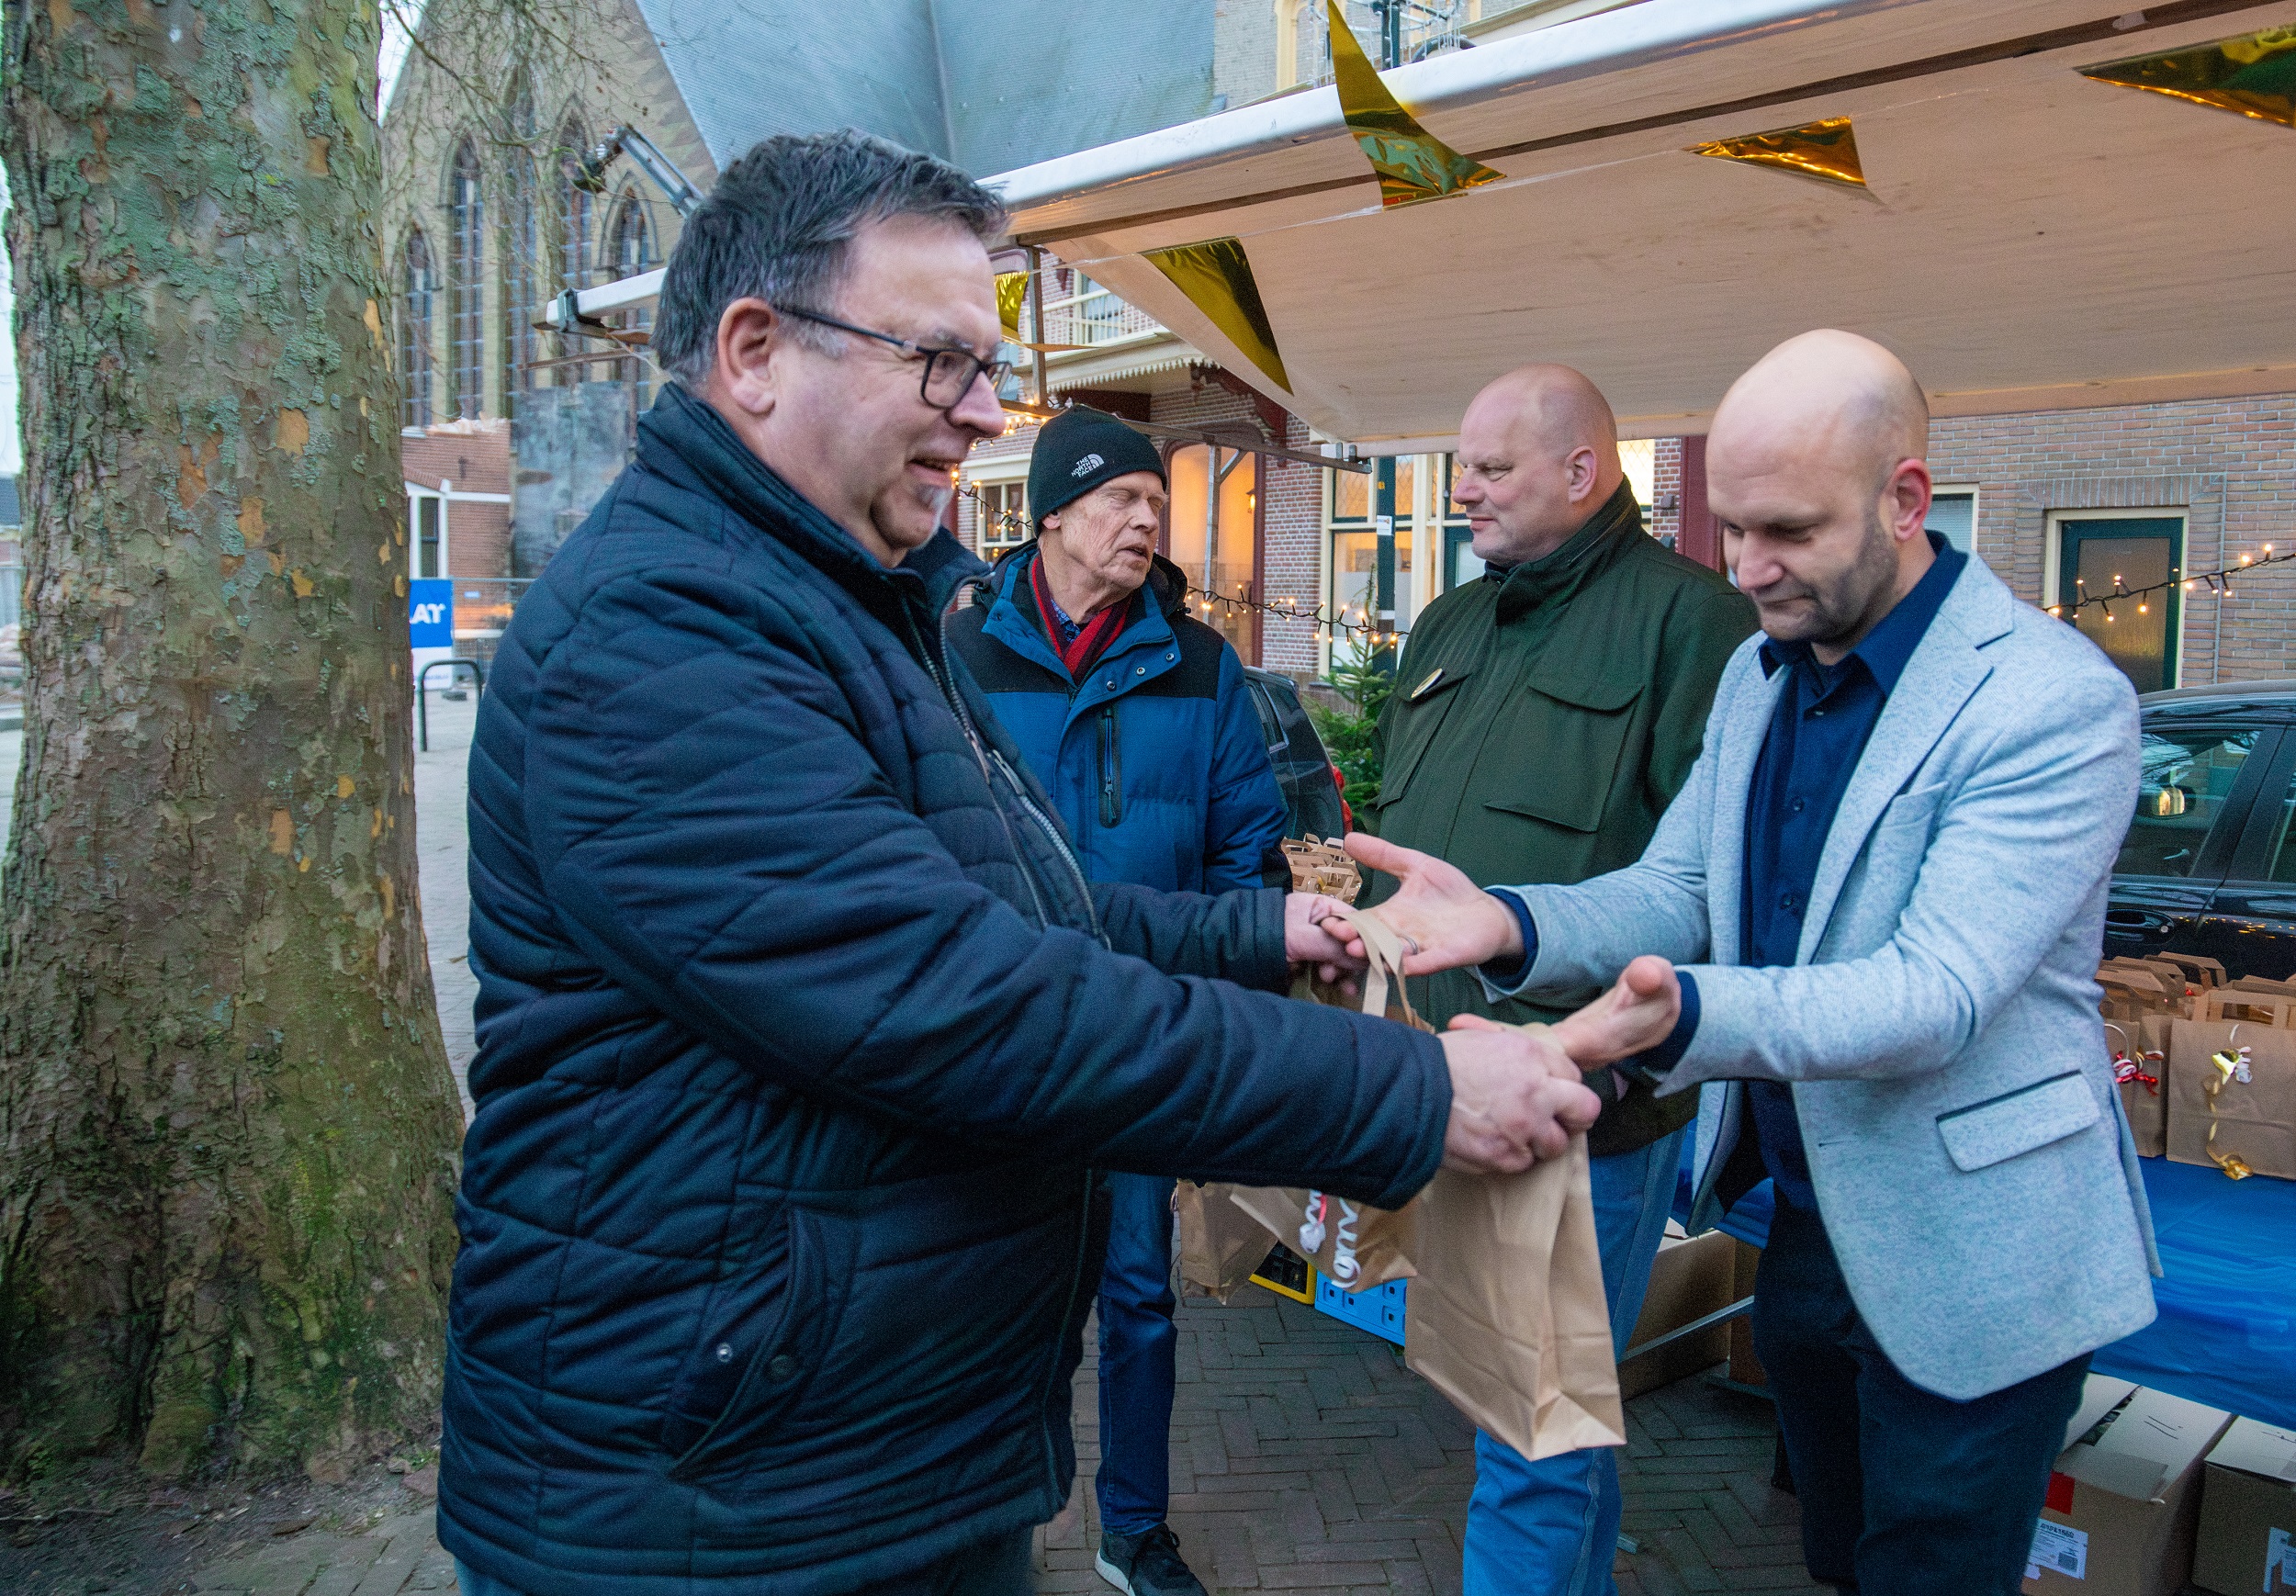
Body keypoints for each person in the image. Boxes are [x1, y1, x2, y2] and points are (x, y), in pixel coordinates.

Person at [440, 129, 1604, 1596]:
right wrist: (1420, 1091)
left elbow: (1017, 913)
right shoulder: (660, 638)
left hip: (836, 1457)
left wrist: (1262, 934)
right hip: (713, 1506)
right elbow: (962, 1002)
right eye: (941, 363)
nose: (989, 414)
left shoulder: (847, 601)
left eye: (987, 369)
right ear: (754, 352)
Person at [1348, 329, 2158, 1596]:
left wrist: (1646, 1024)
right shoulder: (1760, 672)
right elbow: (1678, 890)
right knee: (1834, 1557)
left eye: (1787, 532)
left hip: (1975, 1253)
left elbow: (1930, 991)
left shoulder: (2048, 700)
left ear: (1905, 500)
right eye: (1732, 528)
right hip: (1807, 1229)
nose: (1747, 567)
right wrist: (1507, 919)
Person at [1359, 365, 1754, 1595]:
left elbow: (1708, 896)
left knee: (1532, 1435)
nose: (1460, 488)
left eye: (1490, 466)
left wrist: (1601, 1041)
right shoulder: (1447, 622)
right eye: (1461, 463)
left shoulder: (1698, 626)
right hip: (1435, 1084)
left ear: (1584, 472)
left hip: (1580, 1111)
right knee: (1549, 1423)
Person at [946, 405, 1288, 1596]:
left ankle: (1131, 1527)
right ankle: (979, 1518)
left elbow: (1252, 843)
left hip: (1139, 1035)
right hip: (997, 1036)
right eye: (1119, 498)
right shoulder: (961, 654)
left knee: (1141, 1295)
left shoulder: (1200, 666)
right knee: (989, 1284)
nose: (1147, 516)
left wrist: (1215, 997)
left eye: (1156, 500)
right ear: (1050, 515)